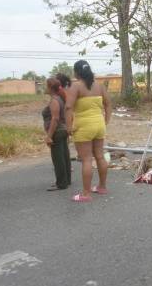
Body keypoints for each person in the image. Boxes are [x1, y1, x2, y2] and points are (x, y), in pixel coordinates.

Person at [65, 60, 111, 202]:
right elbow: (108, 105)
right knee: (100, 156)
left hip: (84, 126)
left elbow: (68, 108)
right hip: (99, 124)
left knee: (86, 159)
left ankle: (85, 194)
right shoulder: (99, 85)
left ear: (76, 72)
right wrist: (105, 122)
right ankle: (102, 187)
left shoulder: (76, 86)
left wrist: (68, 127)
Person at [42, 78, 71, 191]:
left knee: (58, 158)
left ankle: (61, 183)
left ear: (50, 88)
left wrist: (49, 135)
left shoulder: (54, 100)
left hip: (57, 132)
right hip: (62, 130)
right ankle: (66, 180)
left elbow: (55, 119)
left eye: (46, 86)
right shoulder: (60, 99)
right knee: (64, 157)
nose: (45, 88)